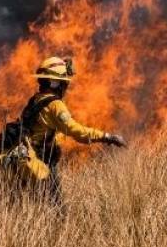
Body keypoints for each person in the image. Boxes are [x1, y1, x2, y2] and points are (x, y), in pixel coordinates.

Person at [17, 56, 126, 206]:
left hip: (26, 160)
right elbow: (75, 130)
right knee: (55, 209)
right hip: (41, 163)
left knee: (32, 206)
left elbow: (44, 130)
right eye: (63, 83)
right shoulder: (55, 105)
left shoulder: (36, 100)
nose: (65, 87)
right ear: (55, 83)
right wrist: (106, 137)